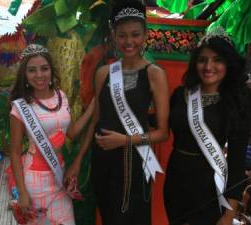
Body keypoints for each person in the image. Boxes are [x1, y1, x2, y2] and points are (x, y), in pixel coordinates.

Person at [65, 1, 169, 224]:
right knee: (108, 216)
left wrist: (124, 140)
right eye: (122, 35)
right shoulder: (104, 72)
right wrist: (79, 159)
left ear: (145, 35)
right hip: (103, 160)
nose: (129, 41)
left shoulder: (154, 74)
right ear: (114, 35)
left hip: (134, 161)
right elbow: (95, 120)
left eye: (135, 35)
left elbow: (163, 133)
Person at [163, 27, 251, 225]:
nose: (208, 66)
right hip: (175, 182)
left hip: (210, 189)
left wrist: (229, 215)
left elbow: (237, 166)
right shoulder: (180, 95)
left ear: (229, 64)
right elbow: (160, 127)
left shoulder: (236, 104)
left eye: (217, 60)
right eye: (203, 60)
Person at [9, 43, 94, 225]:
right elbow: (15, 152)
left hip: (59, 178)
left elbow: (70, 133)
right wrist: (22, 192)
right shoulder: (21, 107)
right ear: (25, 74)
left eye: (44, 69)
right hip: (35, 183)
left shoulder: (61, 97)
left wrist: (92, 107)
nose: (39, 75)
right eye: (32, 70)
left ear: (51, 71)